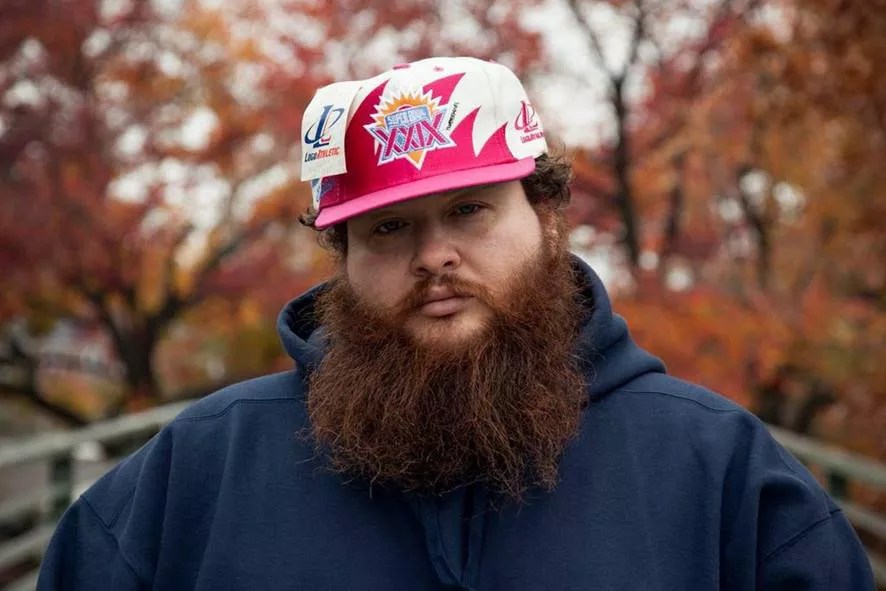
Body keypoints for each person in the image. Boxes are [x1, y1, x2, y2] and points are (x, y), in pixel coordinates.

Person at [38, 56, 874, 590]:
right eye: (389, 227)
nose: (433, 255)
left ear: (546, 215)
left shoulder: (719, 469)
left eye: (470, 209)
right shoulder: (199, 470)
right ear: (342, 256)